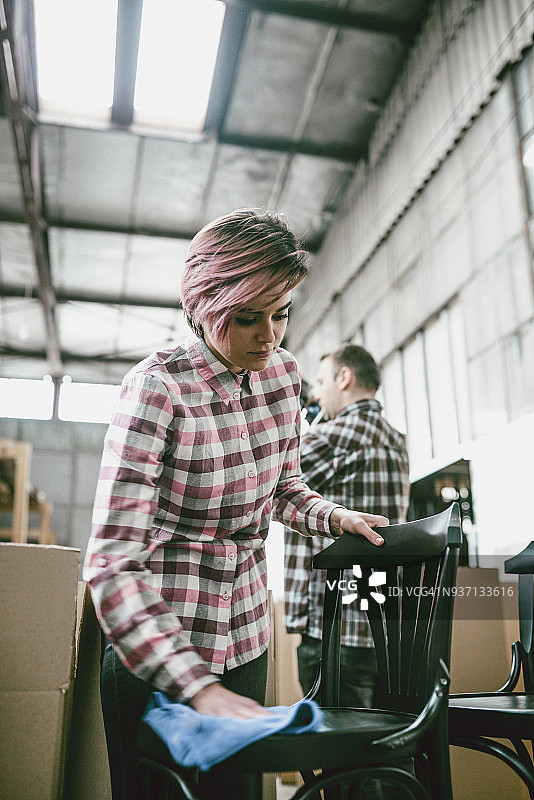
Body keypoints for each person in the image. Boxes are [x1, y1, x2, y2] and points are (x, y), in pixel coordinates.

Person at [83, 210, 388, 800]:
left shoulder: (282, 376)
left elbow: (281, 487)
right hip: (161, 647)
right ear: (202, 311)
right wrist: (195, 687)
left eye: (281, 314)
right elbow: (112, 559)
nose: (269, 336)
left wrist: (332, 516)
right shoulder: (157, 389)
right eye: (248, 319)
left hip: (245, 635)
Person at [284, 344, 410, 708]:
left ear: (344, 377)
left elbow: (269, 480)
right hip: (384, 622)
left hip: (335, 624)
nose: (318, 394)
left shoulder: (335, 436)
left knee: (340, 756)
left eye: (322, 382)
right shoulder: (395, 438)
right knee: (387, 747)